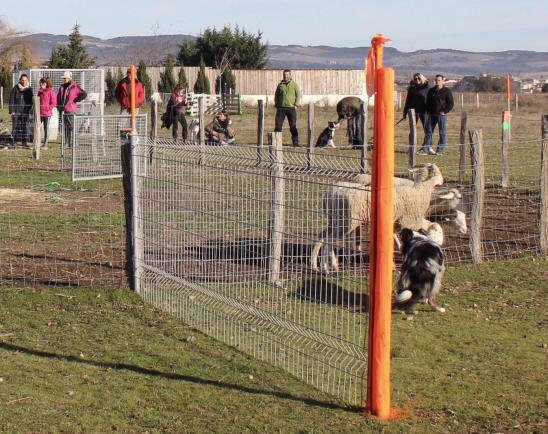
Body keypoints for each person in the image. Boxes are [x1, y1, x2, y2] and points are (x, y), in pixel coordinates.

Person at [419, 74, 454, 156]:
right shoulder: (431, 91)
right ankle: (425, 149)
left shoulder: (447, 91)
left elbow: (451, 103)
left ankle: (440, 150)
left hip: (442, 115)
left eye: (439, 80)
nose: (437, 82)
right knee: (429, 132)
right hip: (432, 115)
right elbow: (428, 102)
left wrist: (444, 111)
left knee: (442, 132)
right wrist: (428, 111)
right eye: (436, 80)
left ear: (443, 81)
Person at [57, 71, 87, 147]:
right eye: (63, 78)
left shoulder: (74, 86)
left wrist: (76, 100)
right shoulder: (62, 87)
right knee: (66, 127)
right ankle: (67, 142)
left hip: (70, 110)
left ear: (69, 78)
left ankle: (75, 142)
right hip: (63, 110)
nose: (64, 79)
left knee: (72, 127)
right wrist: (58, 106)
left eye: (65, 78)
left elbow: (84, 94)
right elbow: (58, 97)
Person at [274, 69, 301, 146]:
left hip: (291, 108)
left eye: (287, 74)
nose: (285, 76)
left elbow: (298, 95)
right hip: (281, 108)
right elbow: (276, 95)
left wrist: (296, 104)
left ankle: (295, 143)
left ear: (290, 75)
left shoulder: (294, 85)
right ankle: (276, 143)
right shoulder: (280, 85)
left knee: (293, 126)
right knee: (278, 126)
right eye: (284, 75)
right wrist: (276, 104)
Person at [9, 74, 33, 148]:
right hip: (16, 111)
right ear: (20, 80)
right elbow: (11, 100)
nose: (24, 82)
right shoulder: (15, 88)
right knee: (15, 127)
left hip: (25, 112)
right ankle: (14, 142)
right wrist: (12, 110)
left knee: (25, 127)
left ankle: (24, 142)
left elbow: (31, 102)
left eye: (25, 80)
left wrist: (29, 112)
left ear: (27, 80)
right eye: (22, 80)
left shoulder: (29, 89)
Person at [37, 77, 57, 149]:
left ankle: (45, 144)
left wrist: (46, 108)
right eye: (40, 83)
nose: (41, 84)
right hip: (39, 113)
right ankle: (37, 142)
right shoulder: (40, 91)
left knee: (46, 128)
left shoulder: (51, 92)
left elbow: (54, 103)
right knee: (37, 128)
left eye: (43, 83)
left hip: (47, 114)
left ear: (46, 84)